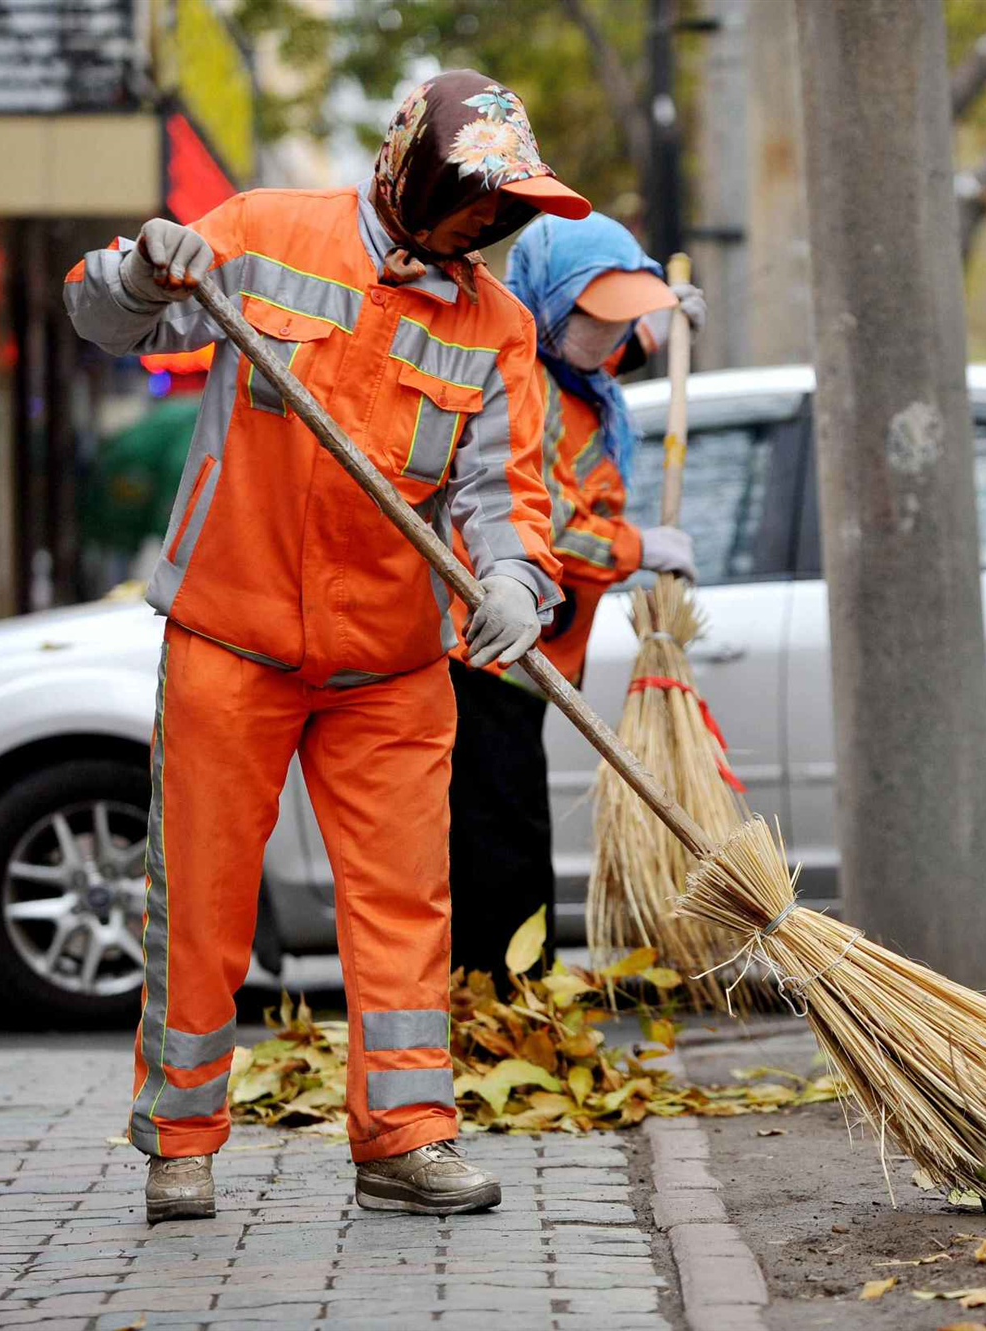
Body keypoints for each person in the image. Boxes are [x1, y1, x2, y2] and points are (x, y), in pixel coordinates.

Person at [62, 70, 589, 1223]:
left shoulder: (494, 326)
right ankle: (182, 1141)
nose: (484, 228)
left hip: (390, 667)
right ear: (409, 177)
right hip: (230, 634)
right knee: (199, 901)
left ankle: (406, 1135)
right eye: (472, 202)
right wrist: (146, 267)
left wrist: (512, 580)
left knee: (408, 901)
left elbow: (508, 496)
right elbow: (103, 320)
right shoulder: (259, 233)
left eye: (501, 212)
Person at [445, 213, 705, 978]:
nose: (614, 336)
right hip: (486, 649)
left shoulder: (571, 366)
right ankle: (505, 1000)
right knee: (503, 837)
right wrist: (636, 548)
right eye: (600, 315)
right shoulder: (524, 384)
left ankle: (511, 994)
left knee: (510, 826)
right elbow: (541, 531)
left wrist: (667, 323)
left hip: (530, 656)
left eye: (626, 316)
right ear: (553, 311)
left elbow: (609, 351)